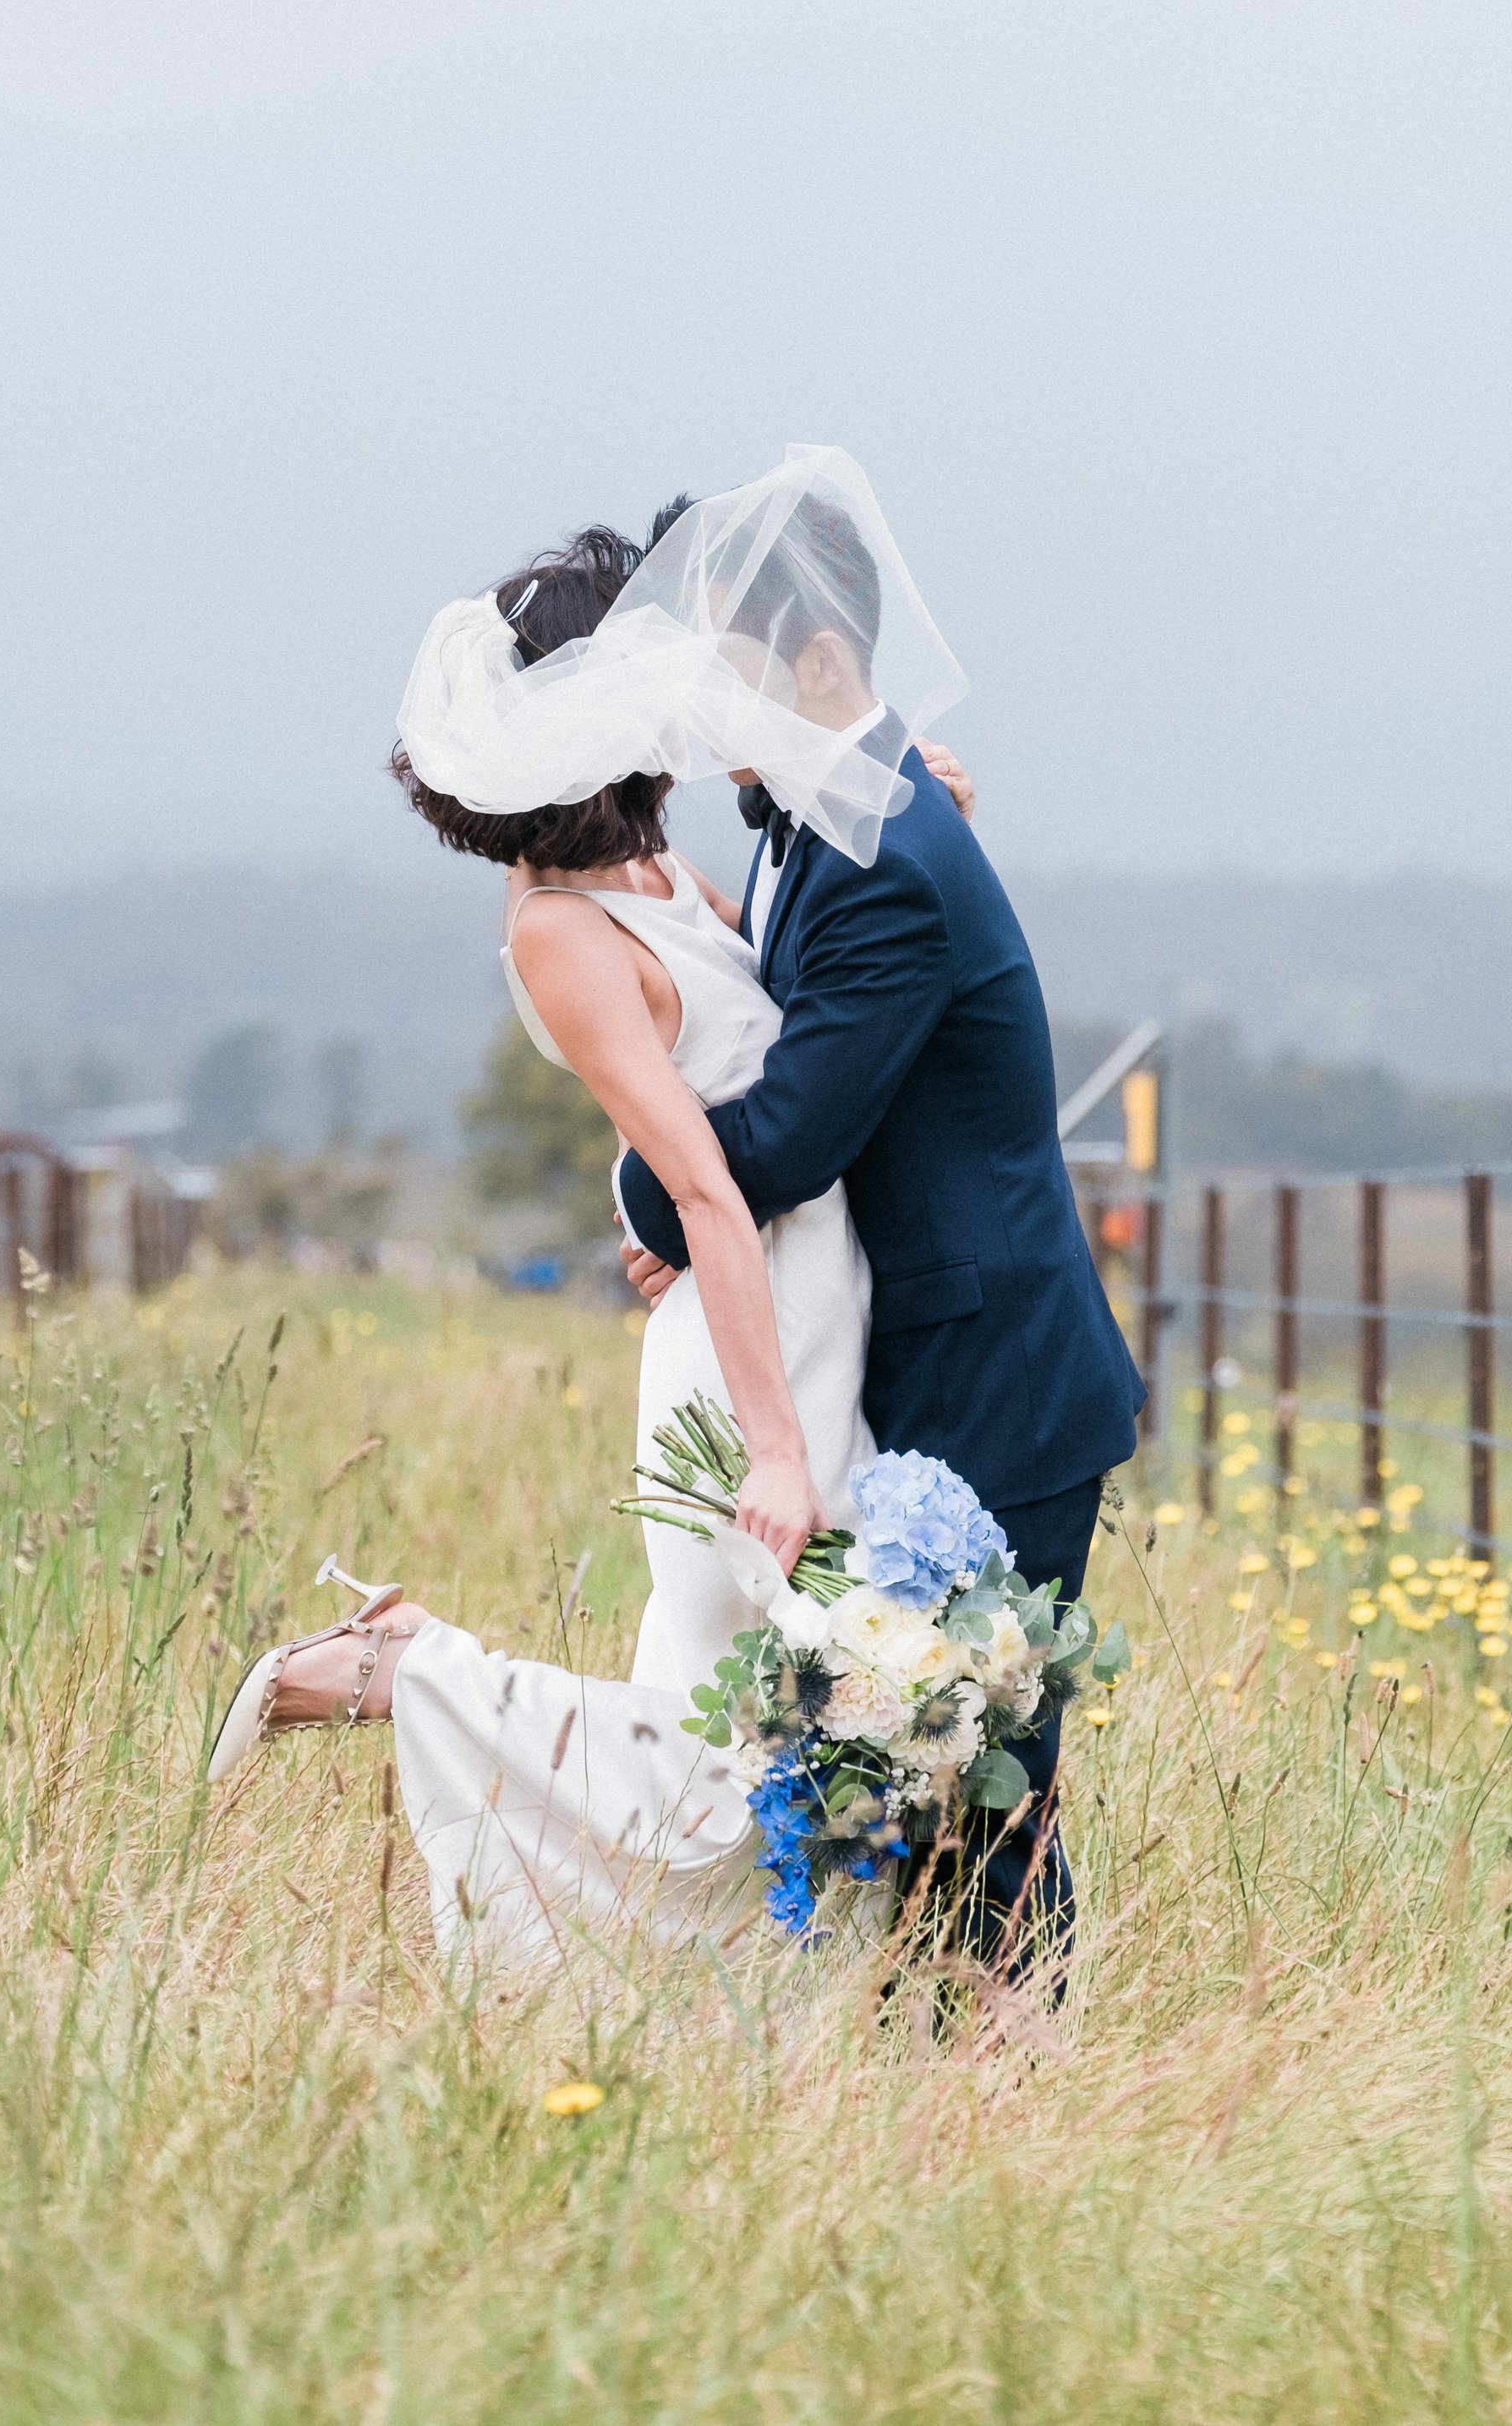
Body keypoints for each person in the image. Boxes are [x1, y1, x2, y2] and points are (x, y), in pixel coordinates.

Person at [206, 448, 1104, 1974]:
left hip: (886, 1334)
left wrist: (910, 787)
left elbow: (767, 1087)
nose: (689, 696)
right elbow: (736, 1148)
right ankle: (413, 1674)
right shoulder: (596, 906)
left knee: (905, 1738)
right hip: (766, 1341)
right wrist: (668, 1203)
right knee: (796, 1729)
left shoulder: (771, 842)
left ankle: (957, 2057)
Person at [613, 476, 1144, 1964]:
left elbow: (784, 1136)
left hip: (999, 1393)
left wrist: (655, 1187)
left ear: (819, 665)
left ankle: (1021, 2100)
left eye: (722, 666)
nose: (701, 709)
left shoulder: (884, 857)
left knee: (978, 1812)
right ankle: (951, 2095)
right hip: (924, 1378)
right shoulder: (835, 812)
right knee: (909, 1800)